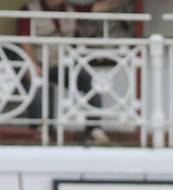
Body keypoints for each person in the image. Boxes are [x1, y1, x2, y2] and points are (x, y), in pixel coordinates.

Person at [18, 0, 109, 145]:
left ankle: (94, 129)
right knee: (35, 87)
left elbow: (101, 7)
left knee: (91, 82)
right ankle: (39, 130)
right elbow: (24, 39)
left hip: (65, 64)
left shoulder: (71, 9)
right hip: (40, 62)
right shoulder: (28, 10)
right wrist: (33, 65)